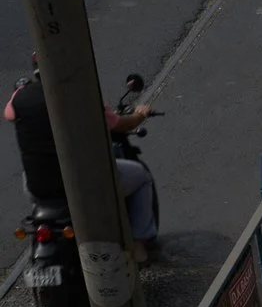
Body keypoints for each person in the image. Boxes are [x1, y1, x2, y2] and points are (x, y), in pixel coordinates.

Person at [4, 61, 160, 259]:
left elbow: (9, 114)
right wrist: (139, 115)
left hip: (38, 186)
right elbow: (118, 124)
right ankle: (139, 246)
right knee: (140, 177)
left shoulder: (21, 98)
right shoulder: (82, 96)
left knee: (32, 183)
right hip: (83, 183)